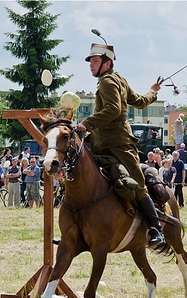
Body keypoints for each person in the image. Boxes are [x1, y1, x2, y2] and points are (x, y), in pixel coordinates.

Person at [76, 42, 165, 247]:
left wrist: (86, 124)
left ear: (107, 63)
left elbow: (114, 110)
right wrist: (153, 90)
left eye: (95, 61)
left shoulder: (108, 82)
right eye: (90, 61)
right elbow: (141, 101)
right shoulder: (118, 79)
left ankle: (155, 229)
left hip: (118, 144)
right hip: (100, 143)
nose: (91, 65)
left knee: (138, 183)